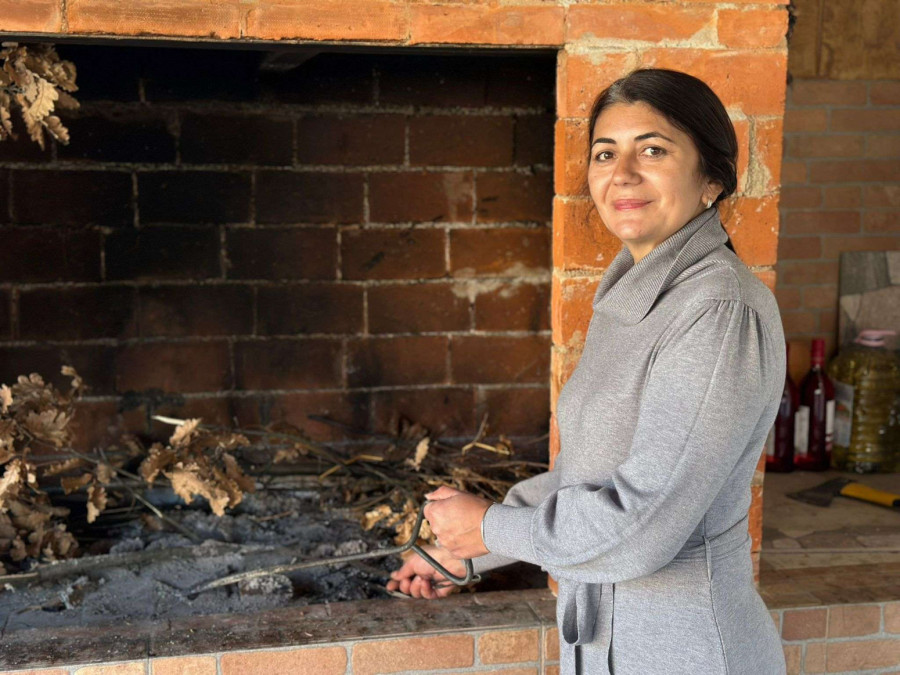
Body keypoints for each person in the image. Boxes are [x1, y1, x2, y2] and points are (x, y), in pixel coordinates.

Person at [387, 68, 787, 675]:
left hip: (686, 649)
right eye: (606, 153)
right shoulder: (636, 292)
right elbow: (589, 478)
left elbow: (644, 524)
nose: (622, 173)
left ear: (710, 179)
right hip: (612, 643)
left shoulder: (718, 311)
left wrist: (493, 529)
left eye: (652, 149)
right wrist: (465, 553)